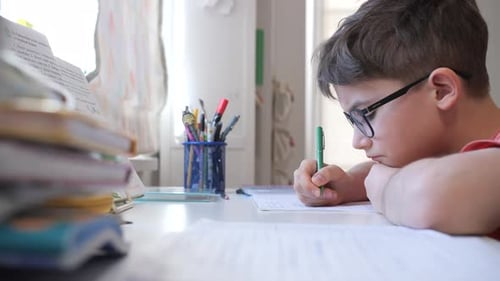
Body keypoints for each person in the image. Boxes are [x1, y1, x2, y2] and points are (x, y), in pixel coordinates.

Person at [293, 0, 500, 236]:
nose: (358, 141)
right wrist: (349, 184)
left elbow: (429, 196)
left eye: (367, 112)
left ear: (441, 91)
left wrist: (385, 186)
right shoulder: (452, 155)